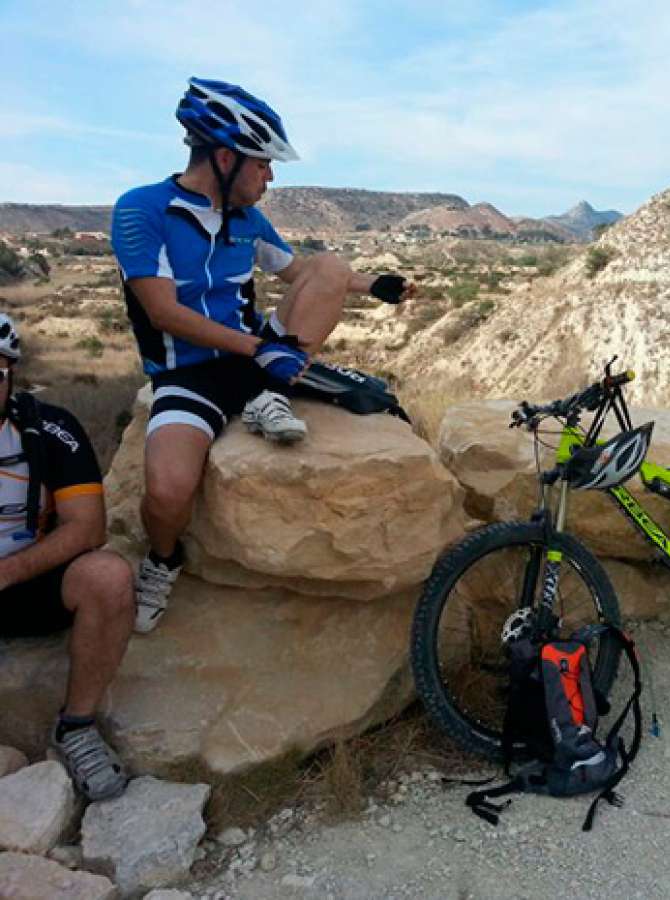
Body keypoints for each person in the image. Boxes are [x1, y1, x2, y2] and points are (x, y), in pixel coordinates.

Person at [111, 77, 415, 634]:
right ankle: (163, 561)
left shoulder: (248, 219)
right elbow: (163, 313)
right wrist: (262, 347)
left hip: (255, 363)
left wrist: (375, 285)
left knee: (330, 265)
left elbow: (305, 274)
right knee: (166, 491)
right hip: (188, 374)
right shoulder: (143, 209)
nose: (269, 177)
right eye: (263, 164)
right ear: (225, 158)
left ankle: (268, 396)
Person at [0, 312, 134, 801]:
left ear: (11, 375)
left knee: (109, 577)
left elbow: (88, 527)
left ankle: (76, 727)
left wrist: (8, 572)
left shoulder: (49, 429)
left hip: (26, 581)